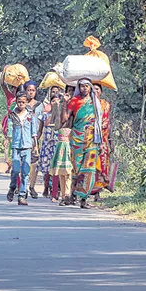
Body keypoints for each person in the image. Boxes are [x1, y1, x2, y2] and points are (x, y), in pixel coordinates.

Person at [61, 78, 103, 209]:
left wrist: (101, 142)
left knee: (89, 169)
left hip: (93, 139)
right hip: (77, 139)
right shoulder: (74, 101)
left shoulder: (96, 102)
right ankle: (72, 195)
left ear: (90, 87)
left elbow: (99, 124)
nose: (84, 88)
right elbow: (64, 118)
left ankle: (84, 199)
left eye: (86, 86)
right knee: (76, 168)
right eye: (82, 86)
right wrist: (65, 103)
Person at [6, 91, 38, 205]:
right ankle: (12, 187)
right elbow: (9, 129)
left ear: (26, 102)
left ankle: (22, 195)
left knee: (25, 171)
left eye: (23, 102)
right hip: (16, 145)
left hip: (27, 146)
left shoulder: (30, 114)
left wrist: (36, 146)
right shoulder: (12, 114)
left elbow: (33, 131)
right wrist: (7, 141)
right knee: (15, 169)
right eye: (19, 102)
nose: (20, 104)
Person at [92, 83, 113, 201]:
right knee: (91, 166)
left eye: (97, 89)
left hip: (103, 140)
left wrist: (111, 142)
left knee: (102, 166)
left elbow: (108, 124)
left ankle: (97, 193)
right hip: (90, 139)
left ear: (101, 91)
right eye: (93, 89)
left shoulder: (106, 104)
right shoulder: (88, 104)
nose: (95, 91)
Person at [37, 90, 60, 198]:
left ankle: (55, 191)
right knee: (46, 169)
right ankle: (46, 187)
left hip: (57, 145)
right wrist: (35, 142)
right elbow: (40, 130)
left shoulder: (62, 117)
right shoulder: (45, 115)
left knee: (56, 169)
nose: (56, 103)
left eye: (58, 101)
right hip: (46, 145)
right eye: (53, 101)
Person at [23, 80, 41, 199]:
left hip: (35, 138)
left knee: (34, 164)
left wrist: (37, 139)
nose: (31, 92)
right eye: (29, 90)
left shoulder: (39, 105)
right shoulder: (21, 104)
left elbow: (41, 123)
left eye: (33, 90)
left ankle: (32, 186)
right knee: (23, 163)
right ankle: (22, 187)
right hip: (23, 138)